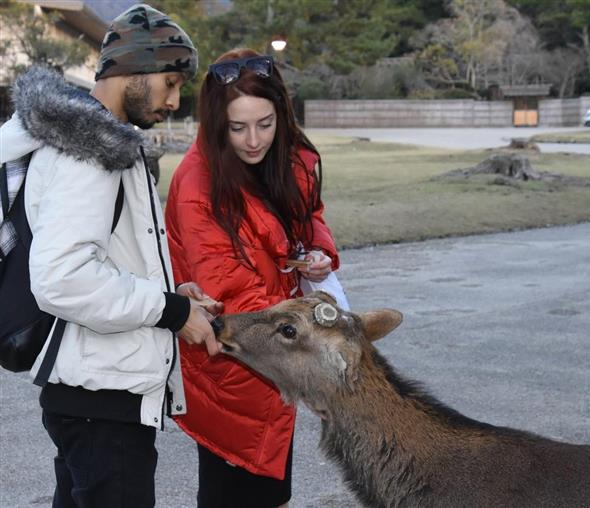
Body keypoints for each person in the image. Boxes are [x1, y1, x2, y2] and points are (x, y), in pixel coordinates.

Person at [0, 4, 222, 507]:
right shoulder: (90, 153)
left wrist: (172, 295)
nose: (175, 99)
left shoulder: (104, 144)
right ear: (132, 70)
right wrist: (172, 311)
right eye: (169, 82)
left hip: (94, 388)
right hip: (101, 397)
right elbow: (63, 278)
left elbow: (110, 258)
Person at [165, 48, 341, 507]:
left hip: (276, 350)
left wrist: (317, 251)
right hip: (235, 356)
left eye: (265, 123)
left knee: (270, 488)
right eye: (237, 127)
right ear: (215, 121)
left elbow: (309, 215)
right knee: (238, 485)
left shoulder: (291, 157)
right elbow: (228, 288)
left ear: (281, 112)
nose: (253, 140)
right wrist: (308, 367)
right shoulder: (197, 182)